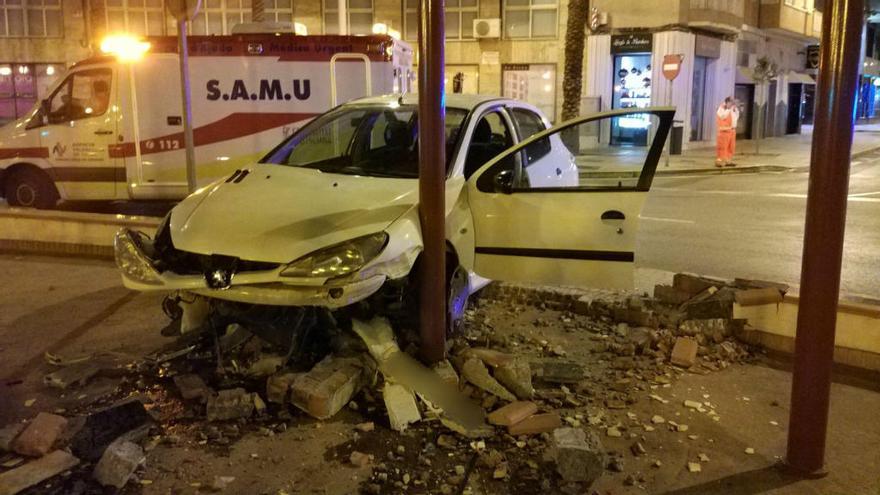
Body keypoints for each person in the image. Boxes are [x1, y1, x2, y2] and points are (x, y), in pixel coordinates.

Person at [715, 96, 740, 167]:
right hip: (724, 131)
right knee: (722, 147)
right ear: (727, 102)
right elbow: (723, 116)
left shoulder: (732, 109)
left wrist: (735, 110)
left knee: (731, 147)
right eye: (731, 102)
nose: (732, 104)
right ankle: (719, 161)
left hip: (732, 131)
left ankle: (728, 160)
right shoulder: (721, 108)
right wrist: (729, 109)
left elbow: (735, 118)